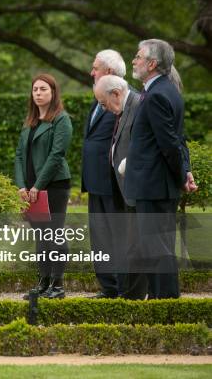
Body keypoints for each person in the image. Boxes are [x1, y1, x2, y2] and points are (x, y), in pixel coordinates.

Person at [124, 39, 189, 299]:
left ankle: (167, 309)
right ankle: (162, 305)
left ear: (152, 64)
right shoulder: (165, 91)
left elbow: (170, 144)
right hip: (156, 185)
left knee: (157, 249)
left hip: (153, 186)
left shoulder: (158, 95)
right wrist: (184, 171)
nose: (133, 61)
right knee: (155, 248)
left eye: (138, 57)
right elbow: (176, 139)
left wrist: (181, 174)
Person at [15, 73, 72, 300]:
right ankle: (43, 282)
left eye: (43, 89)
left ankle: (57, 285)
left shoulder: (61, 119)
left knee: (54, 234)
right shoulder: (30, 121)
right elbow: (19, 155)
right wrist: (21, 185)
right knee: (41, 236)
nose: (38, 93)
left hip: (54, 185)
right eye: (35, 89)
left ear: (53, 92)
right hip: (31, 187)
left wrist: (38, 186)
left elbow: (56, 155)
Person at [81, 49, 128, 299]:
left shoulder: (125, 99)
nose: (92, 72)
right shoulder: (97, 99)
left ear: (109, 71)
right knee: (99, 237)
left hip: (114, 182)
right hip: (95, 180)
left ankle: (123, 286)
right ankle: (108, 286)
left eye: (95, 67)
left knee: (117, 235)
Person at [93, 74, 144, 299]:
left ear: (116, 93)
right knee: (130, 245)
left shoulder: (138, 105)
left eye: (104, 103)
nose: (103, 109)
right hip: (125, 189)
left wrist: (127, 163)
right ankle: (131, 295)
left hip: (138, 187)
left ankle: (139, 295)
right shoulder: (124, 108)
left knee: (138, 246)